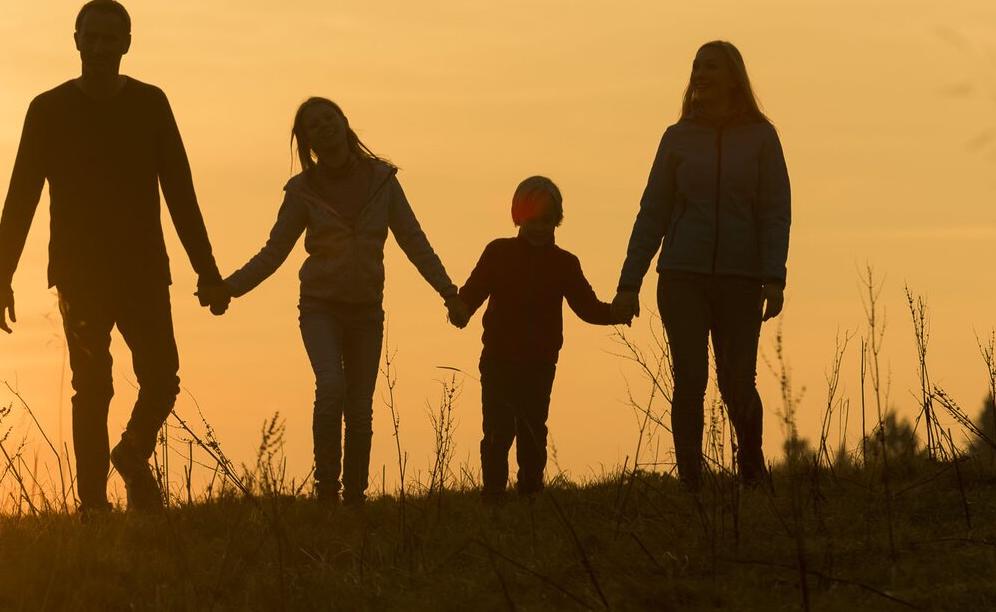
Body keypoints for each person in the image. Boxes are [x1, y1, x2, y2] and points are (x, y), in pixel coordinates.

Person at [0, 0, 230, 513]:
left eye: (110, 38)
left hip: (143, 269)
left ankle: (132, 451)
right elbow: (21, 197)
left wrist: (207, 272)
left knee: (162, 379)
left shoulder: (151, 104)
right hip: (80, 275)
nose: (99, 47)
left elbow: (181, 193)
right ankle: (93, 508)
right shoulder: (48, 109)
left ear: (126, 44)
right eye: (90, 37)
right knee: (92, 388)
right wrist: (0, 279)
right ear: (75, 39)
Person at [215, 97, 456, 507]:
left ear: (345, 123)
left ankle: (355, 497)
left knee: (360, 407)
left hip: (366, 310)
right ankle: (327, 489)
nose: (324, 126)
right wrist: (228, 288)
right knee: (331, 388)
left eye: (329, 118)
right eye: (313, 124)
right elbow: (273, 252)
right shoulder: (302, 192)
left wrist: (449, 293)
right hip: (320, 308)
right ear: (306, 140)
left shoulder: (382, 181)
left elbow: (415, 241)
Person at [610, 40, 792, 490]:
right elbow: (651, 212)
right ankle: (692, 480)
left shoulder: (762, 138)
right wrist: (629, 283)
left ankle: (751, 472)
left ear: (734, 77)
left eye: (710, 66)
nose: (700, 73)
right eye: (695, 66)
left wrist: (774, 275)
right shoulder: (676, 138)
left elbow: (775, 211)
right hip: (681, 278)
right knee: (689, 379)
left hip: (742, 280)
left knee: (736, 384)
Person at [449, 177, 624, 498]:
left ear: (557, 220)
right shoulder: (498, 252)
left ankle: (531, 493)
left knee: (532, 431)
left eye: (546, 220)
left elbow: (586, 307)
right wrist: (459, 310)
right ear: (518, 217)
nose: (539, 228)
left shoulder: (565, 264)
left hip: (540, 363)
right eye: (532, 220)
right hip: (498, 359)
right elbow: (473, 292)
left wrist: (616, 313)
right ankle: (493, 497)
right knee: (497, 433)